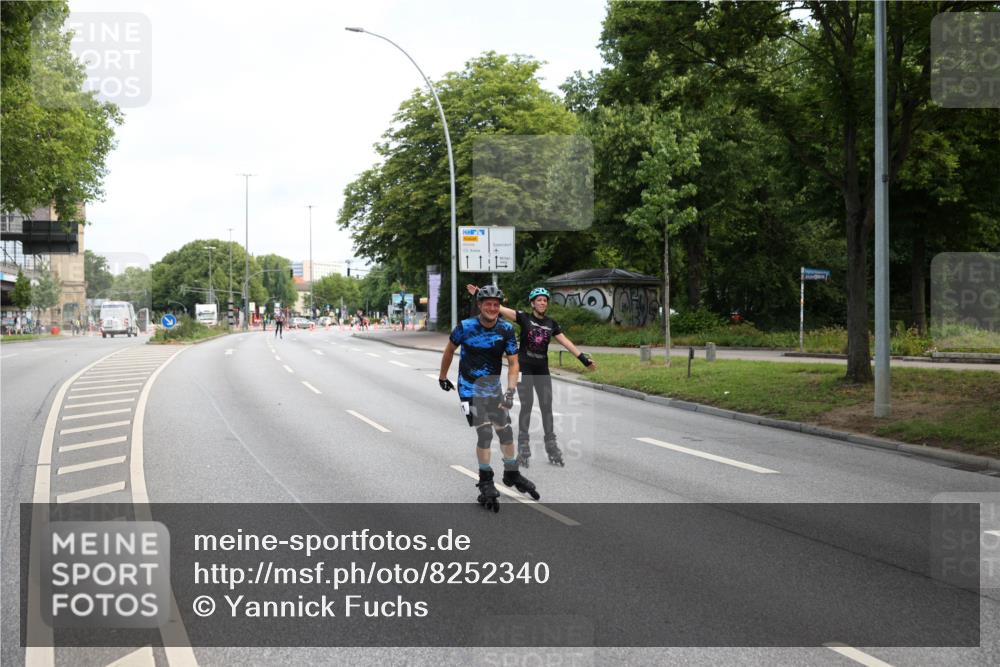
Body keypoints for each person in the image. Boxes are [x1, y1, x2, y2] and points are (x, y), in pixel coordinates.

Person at [466, 284, 596, 467]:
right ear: (532, 303)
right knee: (526, 406)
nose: (542, 303)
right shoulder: (523, 317)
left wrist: (583, 359)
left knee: (546, 407)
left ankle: (551, 444)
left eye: (545, 300)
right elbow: (498, 308)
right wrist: (479, 294)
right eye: (539, 300)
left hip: (542, 369)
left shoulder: (552, 324)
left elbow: (565, 341)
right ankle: (524, 445)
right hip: (524, 368)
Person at [439, 285, 539, 513]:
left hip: (493, 389)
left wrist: (511, 391)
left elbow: (514, 363)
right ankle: (485, 480)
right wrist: (443, 377)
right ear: (479, 305)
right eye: (488, 304)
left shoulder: (505, 330)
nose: (492, 308)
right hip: (468, 388)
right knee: (484, 432)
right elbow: (448, 351)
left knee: (504, 430)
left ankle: (511, 472)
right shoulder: (465, 327)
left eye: (496, 304)